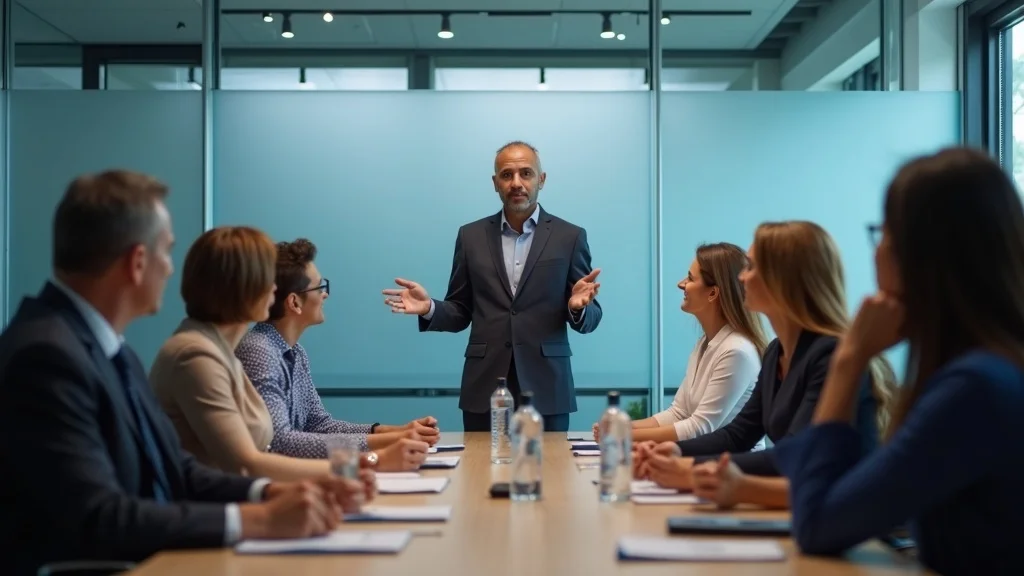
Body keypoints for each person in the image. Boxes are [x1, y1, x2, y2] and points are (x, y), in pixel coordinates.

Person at [0, 171, 370, 576]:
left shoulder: (105, 347)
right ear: (137, 262)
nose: (170, 269)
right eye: (166, 252)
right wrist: (258, 520)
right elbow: (98, 517)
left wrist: (269, 492)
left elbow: (175, 467)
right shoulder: (49, 355)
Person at [776, 148, 1024, 575]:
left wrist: (849, 360)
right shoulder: (992, 371)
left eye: (884, 234)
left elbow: (818, 523)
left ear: (922, 255)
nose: (876, 253)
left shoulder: (973, 389)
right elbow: (863, 486)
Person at [635, 221, 896, 496]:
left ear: (784, 281)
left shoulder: (828, 356)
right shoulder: (775, 352)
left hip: (842, 522)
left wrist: (688, 468)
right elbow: (739, 434)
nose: (742, 278)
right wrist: (675, 450)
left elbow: (790, 454)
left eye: (751, 267)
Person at [151, 227, 428, 478]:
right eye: (263, 278)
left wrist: (386, 437)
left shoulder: (223, 350)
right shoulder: (208, 354)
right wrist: (373, 460)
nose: (273, 288)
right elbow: (264, 454)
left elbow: (312, 426)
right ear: (239, 287)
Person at [382, 141, 603, 432]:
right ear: (495, 183)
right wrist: (430, 308)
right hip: (484, 386)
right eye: (506, 175)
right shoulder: (471, 236)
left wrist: (576, 308)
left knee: (549, 475)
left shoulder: (570, 237)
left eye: (526, 173)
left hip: (547, 387)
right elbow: (461, 310)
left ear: (542, 179)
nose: (517, 183)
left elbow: (591, 316)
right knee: (480, 474)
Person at [236, 238, 439, 460]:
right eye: (320, 287)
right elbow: (281, 442)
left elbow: (319, 424)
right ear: (294, 302)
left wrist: (395, 431)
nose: (326, 294)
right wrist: (391, 441)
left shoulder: (295, 352)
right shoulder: (259, 351)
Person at [592, 243, 766, 444]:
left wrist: (623, 435)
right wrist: (621, 427)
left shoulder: (737, 352)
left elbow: (700, 427)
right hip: (702, 462)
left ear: (713, 293)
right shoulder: (705, 344)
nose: (681, 284)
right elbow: (679, 412)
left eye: (691, 279)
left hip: (730, 467)